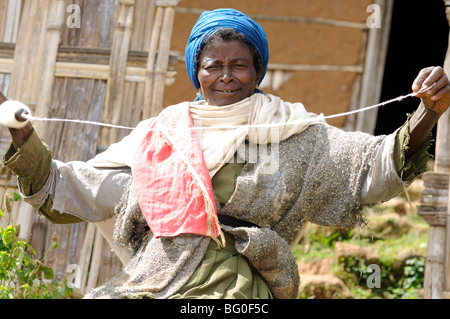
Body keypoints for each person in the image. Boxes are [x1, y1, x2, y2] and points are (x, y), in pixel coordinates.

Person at [1, 8, 450, 299]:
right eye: (214, 65)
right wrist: (24, 139)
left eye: (240, 64)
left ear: (258, 70)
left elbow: (372, 165)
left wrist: (427, 113)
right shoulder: (163, 137)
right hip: (155, 280)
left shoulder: (294, 133)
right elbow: (74, 189)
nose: (227, 76)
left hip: (240, 291)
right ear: (198, 72)